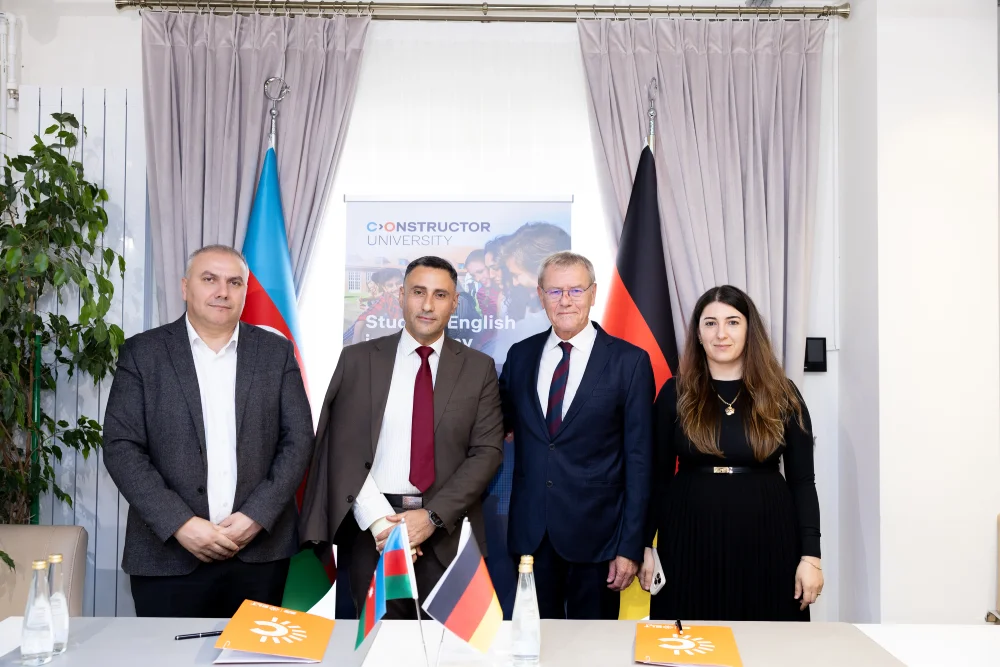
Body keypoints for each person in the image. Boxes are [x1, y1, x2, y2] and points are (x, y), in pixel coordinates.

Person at [102, 245, 314, 618]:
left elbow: (298, 441)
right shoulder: (143, 353)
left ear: (245, 292)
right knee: (165, 651)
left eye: (234, 282)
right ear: (185, 287)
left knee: (252, 652)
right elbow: (121, 447)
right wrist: (180, 524)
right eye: (209, 279)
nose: (222, 291)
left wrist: (255, 517)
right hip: (167, 556)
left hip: (259, 556)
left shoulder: (275, 352)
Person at [299, 256, 504, 618]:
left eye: (440, 295)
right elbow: (341, 448)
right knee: (377, 644)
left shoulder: (478, 368)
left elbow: (486, 453)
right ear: (400, 296)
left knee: (448, 646)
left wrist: (431, 517)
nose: (428, 305)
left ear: (455, 302)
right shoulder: (358, 360)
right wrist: (383, 523)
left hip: (448, 534)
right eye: (418, 292)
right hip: (372, 534)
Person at [639, 285, 823, 621]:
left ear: (750, 330)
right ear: (698, 333)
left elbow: (803, 482)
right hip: (688, 539)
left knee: (769, 642)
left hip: (770, 538)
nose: (721, 334)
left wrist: (811, 557)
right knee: (690, 640)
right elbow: (657, 479)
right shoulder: (675, 394)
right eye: (710, 323)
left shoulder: (783, 395)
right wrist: (646, 545)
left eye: (732, 322)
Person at [499, 251, 654, 620]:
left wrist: (630, 546)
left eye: (575, 290)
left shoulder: (629, 361)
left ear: (593, 293)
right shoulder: (520, 356)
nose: (565, 301)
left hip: (600, 541)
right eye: (555, 291)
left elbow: (640, 460)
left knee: (594, 646)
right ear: (540, 295)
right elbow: (500, 425)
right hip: (531, 538)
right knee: (535, 643)